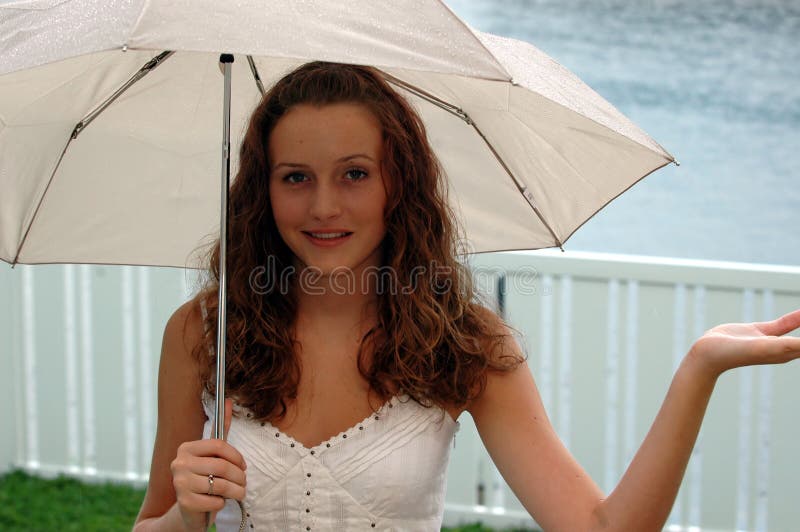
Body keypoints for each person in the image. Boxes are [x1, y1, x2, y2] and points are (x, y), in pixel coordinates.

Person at [133, 62, 800, 532]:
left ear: (400, 182)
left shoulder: (462, 342)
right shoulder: (205, 332)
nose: (324, 205)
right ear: (263, 190)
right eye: (296, 176)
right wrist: (184, 519)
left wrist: (698, 370)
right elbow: (152, 525)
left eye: (355, 173)